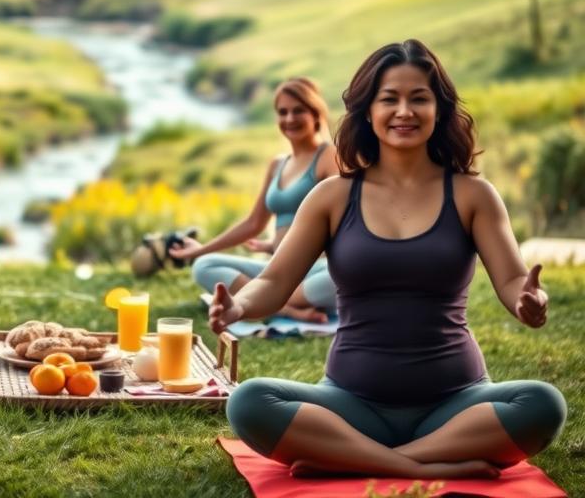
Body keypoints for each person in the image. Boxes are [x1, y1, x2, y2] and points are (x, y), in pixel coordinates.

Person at [210, 40, 566, 479]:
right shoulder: (333, 197)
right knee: (248, 401)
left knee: (544, 403)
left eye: (419, 98)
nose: (404, 111)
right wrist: (239, 306)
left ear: (440, 110)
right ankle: (435, 465)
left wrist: (529, 302)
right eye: (389, 99)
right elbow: (275, 282)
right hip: (351, 404)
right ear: (368, 111)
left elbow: (514, 282)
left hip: (455, 404)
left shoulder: (474, 195)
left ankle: (353, 460)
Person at [171, 77, 338, 322]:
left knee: (339, 277)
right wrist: (201, 250)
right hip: (277, 270)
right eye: (283, 112)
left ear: (316, 114)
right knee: (204, 266)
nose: (290, 119)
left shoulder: (328, 156)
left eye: (298, 110)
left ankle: (262, 302)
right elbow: (253, 223)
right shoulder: (278, 164)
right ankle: (285, 308)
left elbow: (340, 218)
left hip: (317, 269)